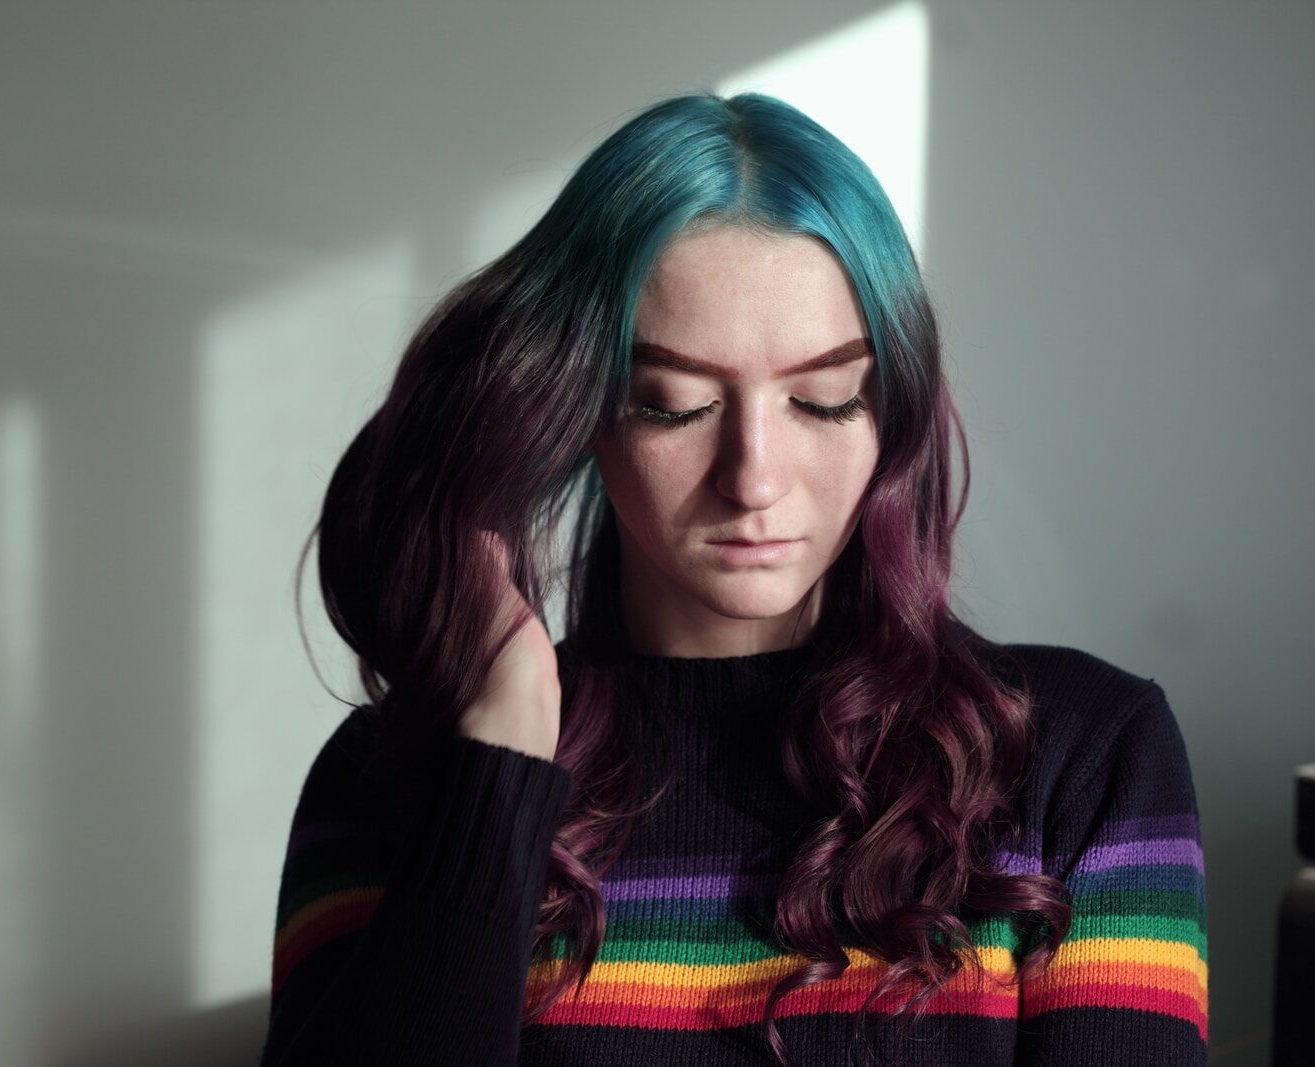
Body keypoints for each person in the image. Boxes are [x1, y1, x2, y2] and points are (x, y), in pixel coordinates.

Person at [258, 92, 1208, 1066]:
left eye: (821, 398)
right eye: (674, 405)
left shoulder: (1079, 754)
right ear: (579, 408)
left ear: (891, 412)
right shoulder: (397, 774)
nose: (752, 476)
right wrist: (500, 746)